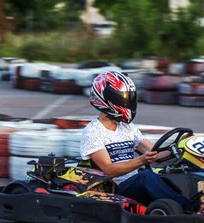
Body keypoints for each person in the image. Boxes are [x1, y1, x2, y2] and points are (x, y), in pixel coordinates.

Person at [79, 71, 195, 212]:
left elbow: (155, 152)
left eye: (129, 98)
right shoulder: (92, 132)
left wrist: (182, 147)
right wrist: (141, 161)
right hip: (115, 189)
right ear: (107, 99)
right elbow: (108, 170)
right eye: (123, 98)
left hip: (136, 182)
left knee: (181, 169)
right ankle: (189, 209)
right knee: (145, 176)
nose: (128, 102)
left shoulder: (126, 127)